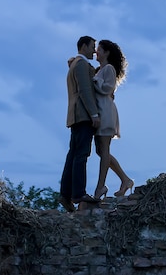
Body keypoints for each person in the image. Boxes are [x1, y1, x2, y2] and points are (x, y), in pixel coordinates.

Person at [58, 36, 102, 212]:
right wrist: (94, 114)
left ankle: (65, 194)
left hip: (74, 115)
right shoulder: (82, 64)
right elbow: (84, 91)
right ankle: (78, 193)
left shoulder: (75, 65)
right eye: (92, 47)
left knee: (73, 155)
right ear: (83, 46)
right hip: (83, 115)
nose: (94, 50)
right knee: (82, 155)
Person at [92, 39, 134, 199]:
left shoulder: (108, 68)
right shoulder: (99, 70)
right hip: (101, 110)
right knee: (101, 151)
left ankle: (100, 187)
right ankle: (125, 179)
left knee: (103, 150)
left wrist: (94, 80)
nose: (96, 52)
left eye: (99, 50)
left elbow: (107, 88)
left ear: (106, 53)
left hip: (106, 112)